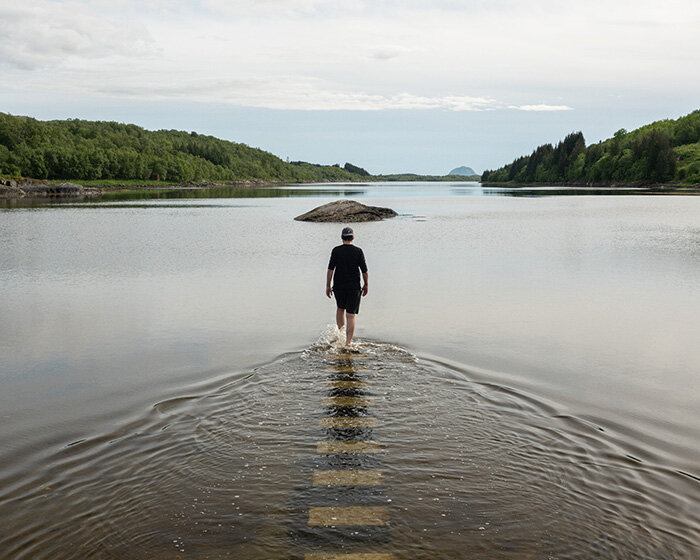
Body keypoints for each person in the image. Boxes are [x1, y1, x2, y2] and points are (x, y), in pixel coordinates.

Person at [326, 226, 368, 346]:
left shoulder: (336, 250)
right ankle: (348, 343)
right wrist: (366, 284)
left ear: (342, 237)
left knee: (340, 309)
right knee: (350, 315)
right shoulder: (358, 251)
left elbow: (330, 270)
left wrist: (328, 285)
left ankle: (341, 335)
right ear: (352, 237)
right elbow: (364, 271)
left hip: (338, 286)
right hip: (354, 287)